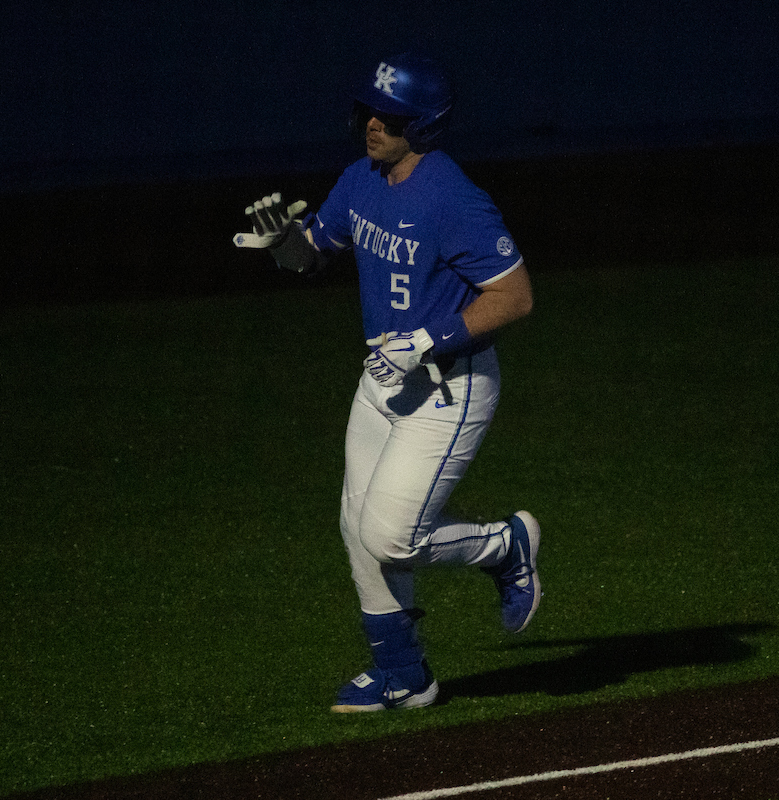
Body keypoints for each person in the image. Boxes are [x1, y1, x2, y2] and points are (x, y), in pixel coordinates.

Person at [234, 51, 541, 712]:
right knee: (357, 527)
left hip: (449, 390)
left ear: (425, 125)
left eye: (391, 117)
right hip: (381, 384)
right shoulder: (361, 178)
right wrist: (287, 244)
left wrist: (429, 338)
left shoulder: (453, 198)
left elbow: (514, 297)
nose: (374, 125)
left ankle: (503, 546)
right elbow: (314, 254)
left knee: (392, 537)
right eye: (370, 111)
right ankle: (404, 674)